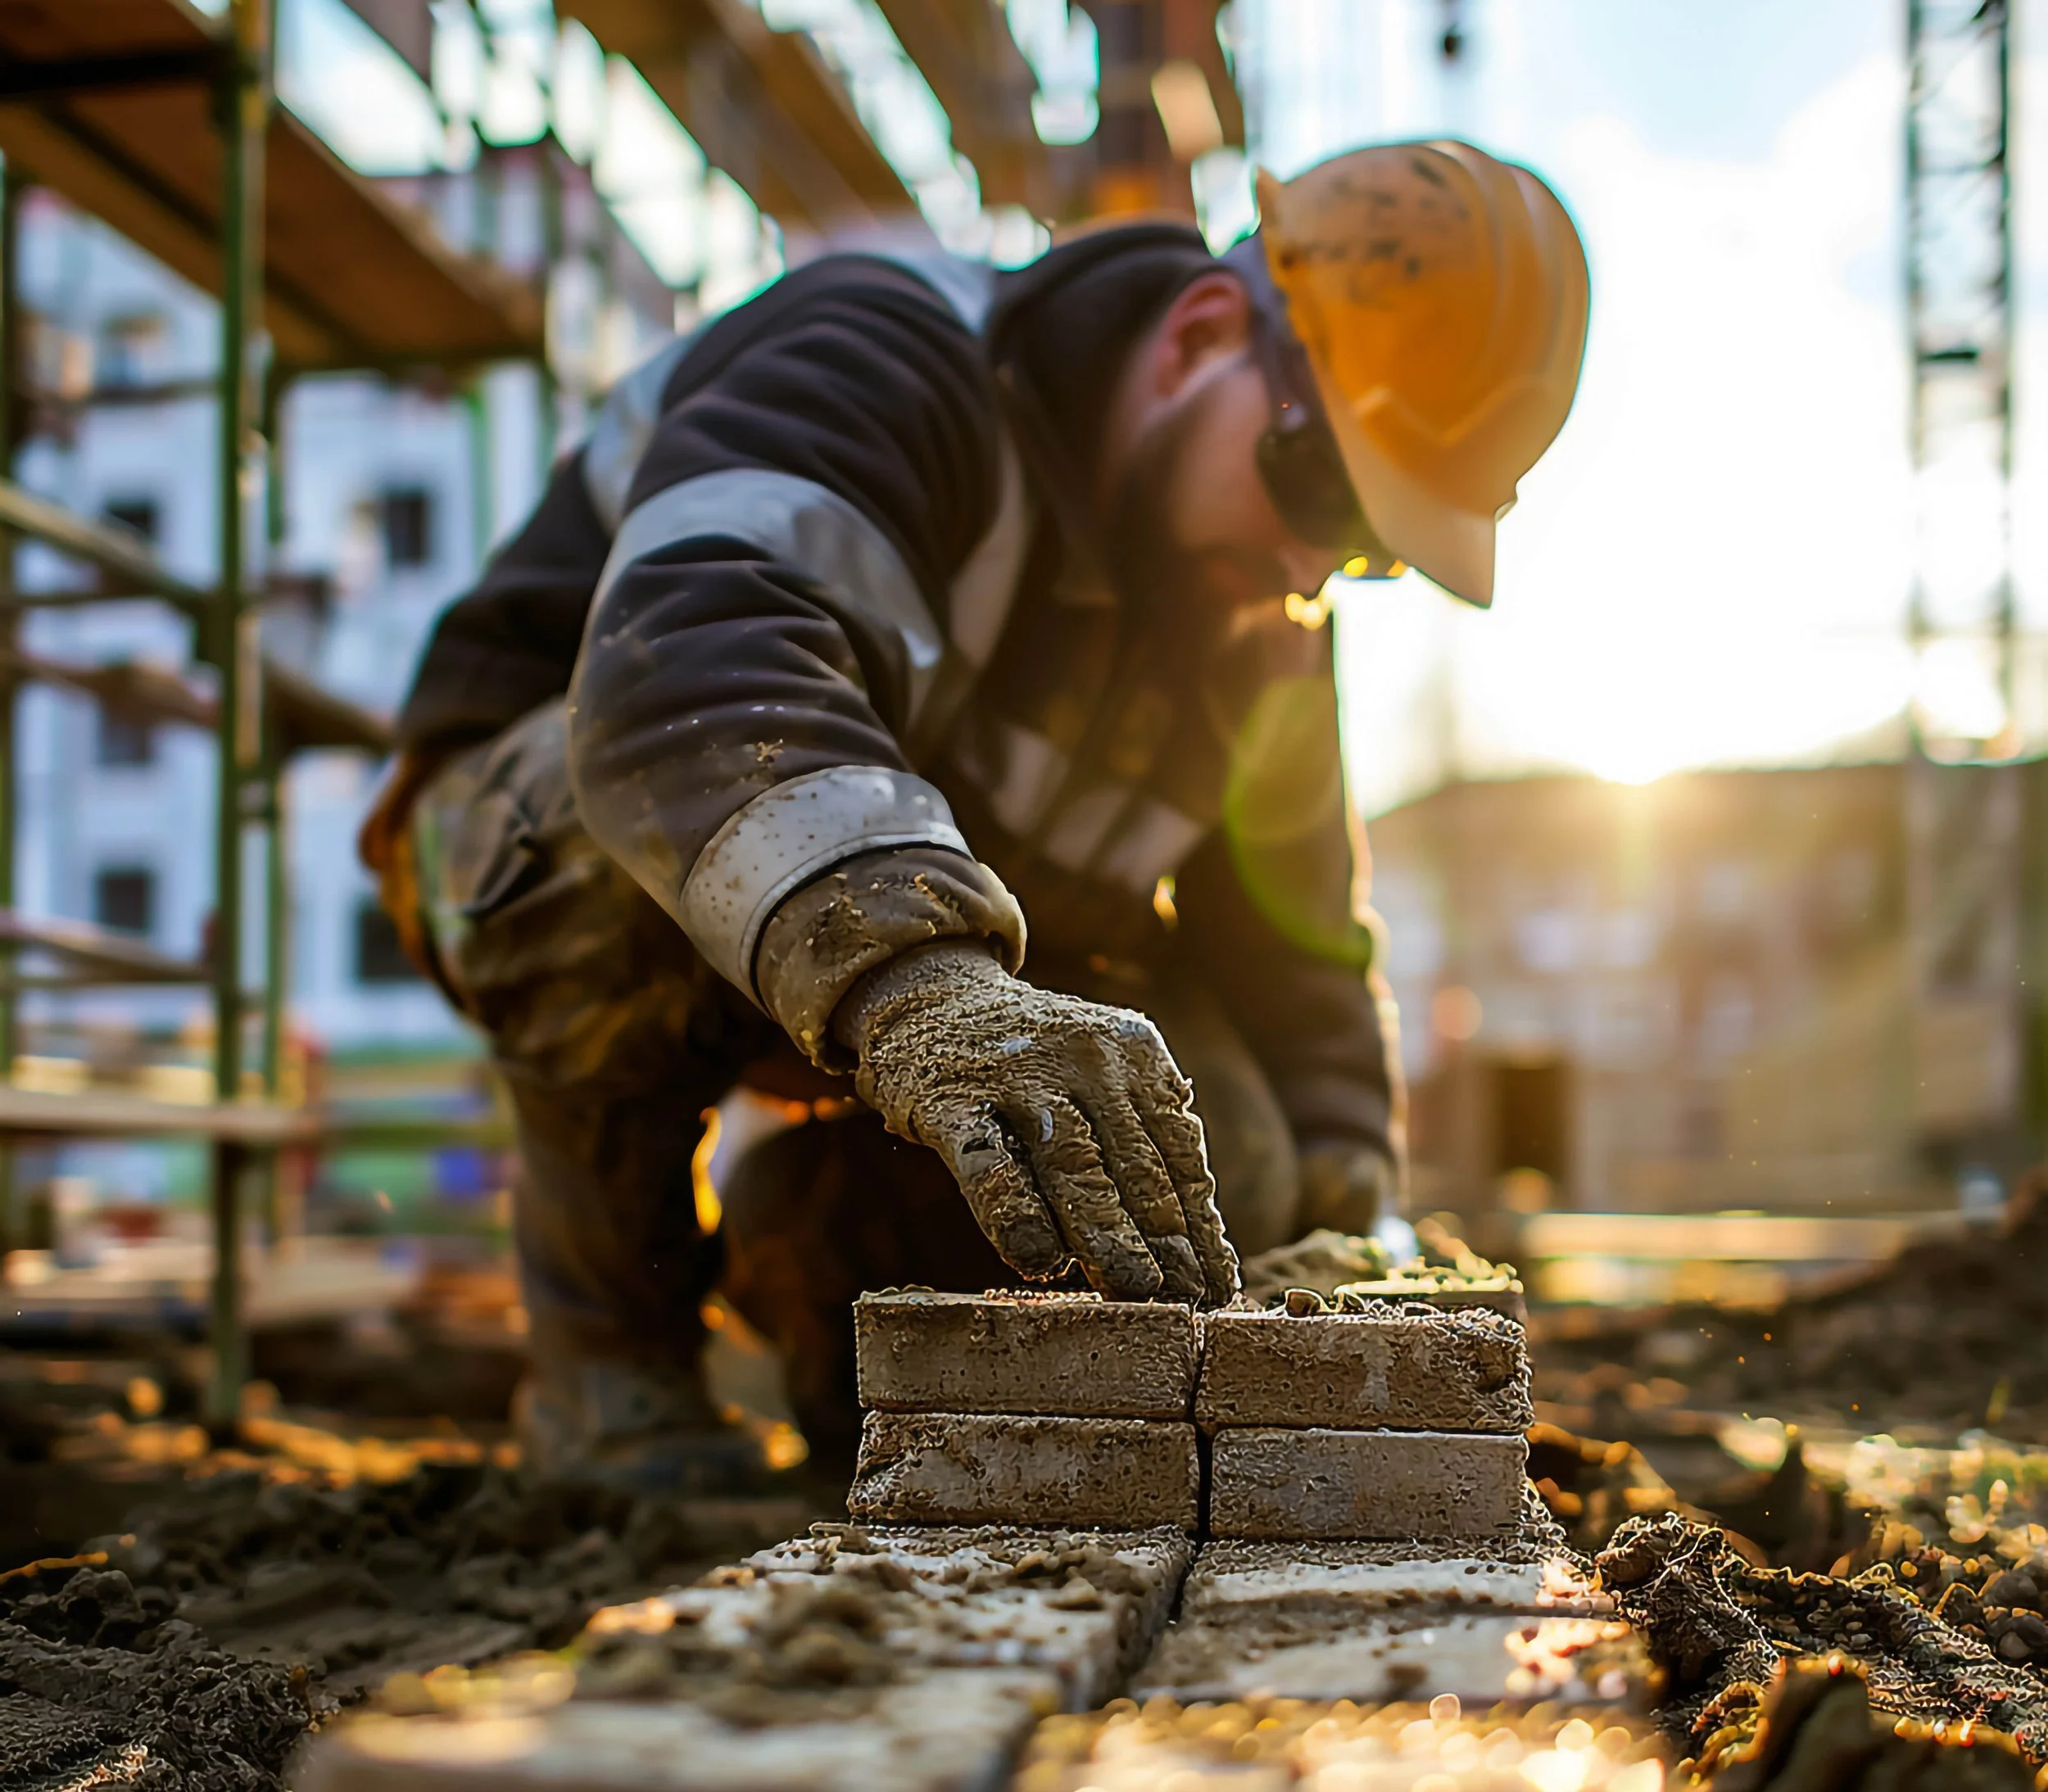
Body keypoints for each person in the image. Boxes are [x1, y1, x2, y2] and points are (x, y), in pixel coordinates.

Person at [360, 141, 1590, 1488]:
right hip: (569, 829)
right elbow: (698, 663)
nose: (1311, 567)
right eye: (1315, 491)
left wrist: (1350, 1215)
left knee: (1223, 1152)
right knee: (676, 816)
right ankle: (616, 1363)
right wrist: (931, 996)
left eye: (1366, 552)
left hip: (897, 954)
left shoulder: (1264, 625)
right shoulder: (891, 354)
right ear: (1200, 335)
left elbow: (1299, 961)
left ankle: (837, 1279)